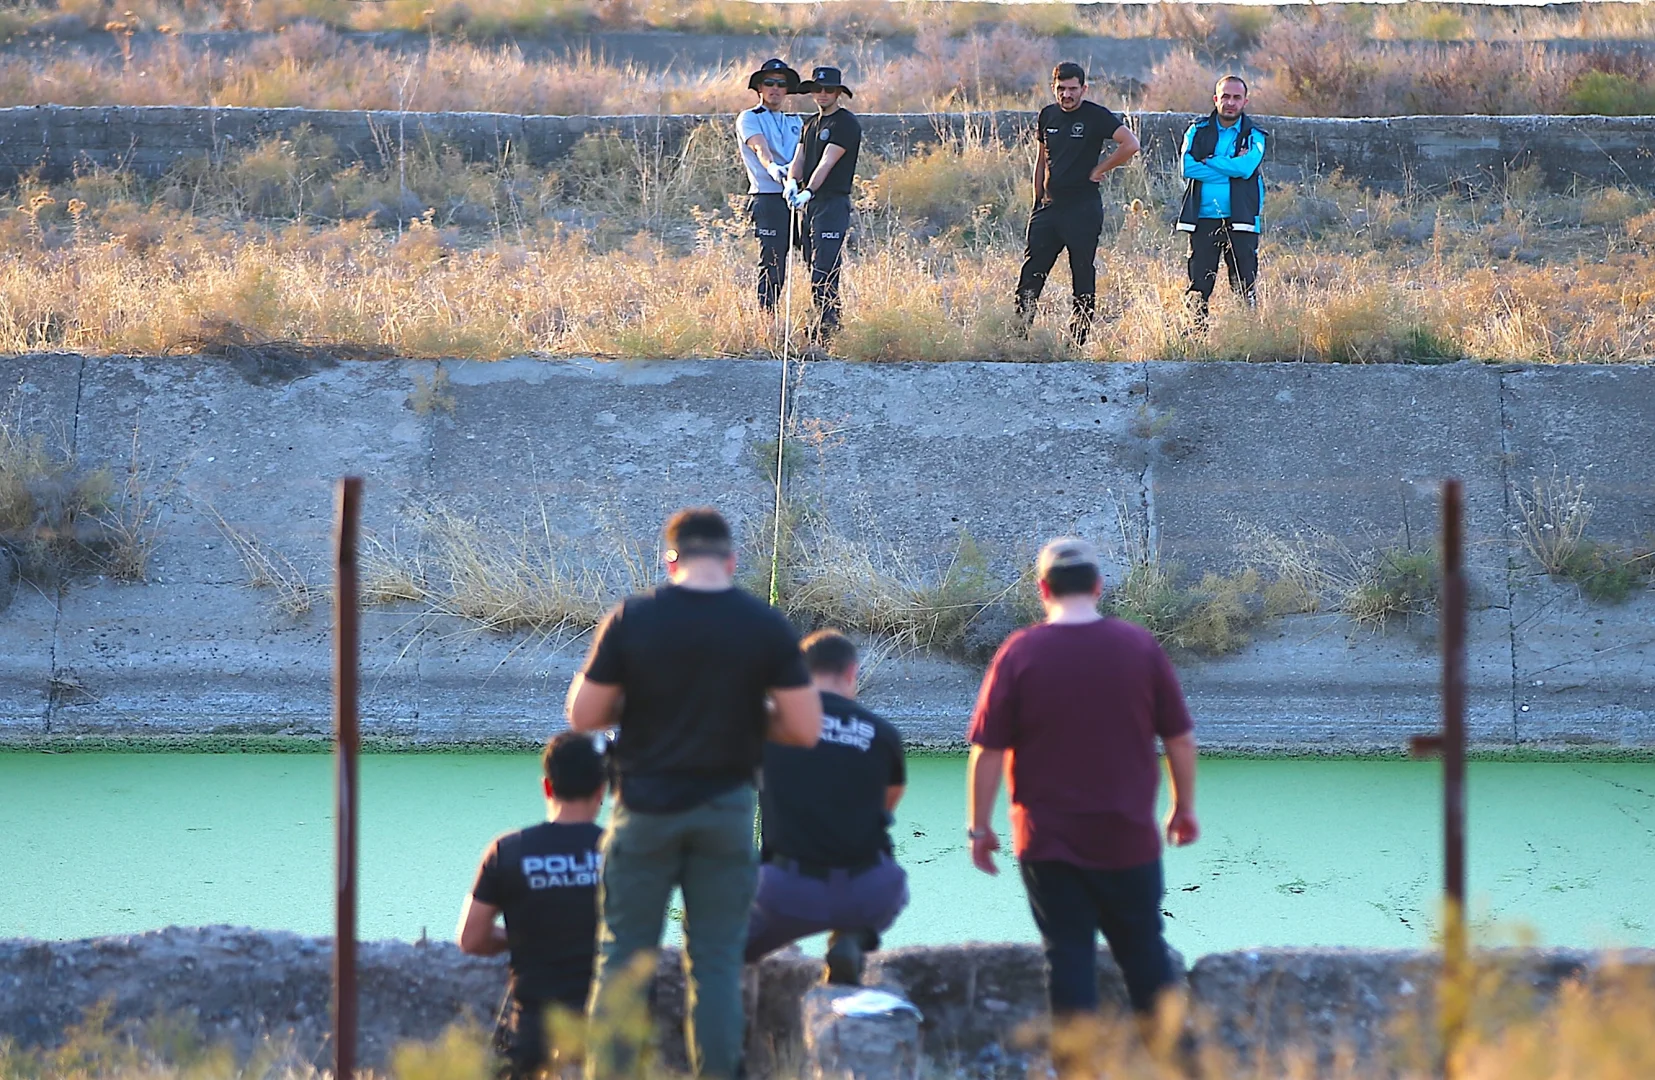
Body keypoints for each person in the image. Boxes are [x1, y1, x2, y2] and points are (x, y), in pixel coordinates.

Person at [567, 507, 822, 1080]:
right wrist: (751, 713)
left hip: (644, 810)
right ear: (731, 561)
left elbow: (583, 714)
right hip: (725, 809)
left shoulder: (633, 618)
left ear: (670, 559)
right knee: (715, 963)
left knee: (622, 961)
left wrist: (637, 704)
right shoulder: (764, 625)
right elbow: (805, 729)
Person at [965, 538, 1199, 1047]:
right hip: (1128, 839)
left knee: (1067, 955)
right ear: (1098, 586)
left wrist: (979, 828)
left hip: (1047, 843)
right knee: (1144, 951)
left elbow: (987, 752)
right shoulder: (1139, 647)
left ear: (1042, 589)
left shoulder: (1019, 654)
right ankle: (1177, 1062)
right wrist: (1183, 807)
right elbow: (1180, 738)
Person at [744, 630, 908, 985]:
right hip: (868, 891)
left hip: (787, 891)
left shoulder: (771, 726)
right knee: (897, 885)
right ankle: (855, 936)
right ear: (852, 672)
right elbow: (888, 804)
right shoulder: (882, 733)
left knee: (721, 953)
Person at [457, 732, 609, 1080]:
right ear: (602, 790)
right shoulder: (623, 852)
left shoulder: (507, 851)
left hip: (536, 1039)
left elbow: (471, 939)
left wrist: (526, 937)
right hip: (611, 1035)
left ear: (547, 787)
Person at [1014, 62, 1140, 346]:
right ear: (1053, 88)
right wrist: (1037, 201)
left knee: (1082, 272)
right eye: (1061, 89)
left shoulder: (1096, 116)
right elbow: (1041, 160)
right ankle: (1018, 336)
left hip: (1082, 209)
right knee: (1032, 272)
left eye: (1073, 89)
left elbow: (1130, 144)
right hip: (1048, 209)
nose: (1067, 95)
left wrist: (1101, 169)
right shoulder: (1047, 115)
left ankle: (1078, 341)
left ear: (1084, 88)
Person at [1178, 75, 1267, 329]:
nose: (1230, 102)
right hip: (1203, 219)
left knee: (1244, 285)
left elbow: (1248, 167)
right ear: (1216, 99)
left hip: (1242, 220)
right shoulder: (1197, 130)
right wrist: (1231, 168)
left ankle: (1247, 336)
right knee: (1199, 285)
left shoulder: (1255, 135)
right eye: (1225, 96)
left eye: (1236, 97)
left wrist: (1209, 161)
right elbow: (1187, 166)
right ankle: (1195, 338)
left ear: (1245, 101)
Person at [786, 66, 861, 342]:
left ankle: (830, 327)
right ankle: (821, 322)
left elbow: (827, 162)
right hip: (811, 206)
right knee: (810, 262)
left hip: (831, 202)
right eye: (818, 89)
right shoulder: (809, 123)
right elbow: (800, 158)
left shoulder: (845, 123)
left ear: (839, 93)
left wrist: (809, 191)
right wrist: (792, 183)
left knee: (825, 267)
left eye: (829, 90)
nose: (823, 94)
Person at [736, 58, 803, 313]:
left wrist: (798, 181)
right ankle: (767, 318)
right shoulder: (749, 117)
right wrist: (774, 169)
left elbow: (803, 153)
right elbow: (759, 147)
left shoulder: (795, 121)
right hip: (769, 196)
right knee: (773, 262)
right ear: (760, 88)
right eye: (769, 83)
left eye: (781, 84)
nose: (775, 89)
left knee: (814, 258)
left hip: (798, 196)